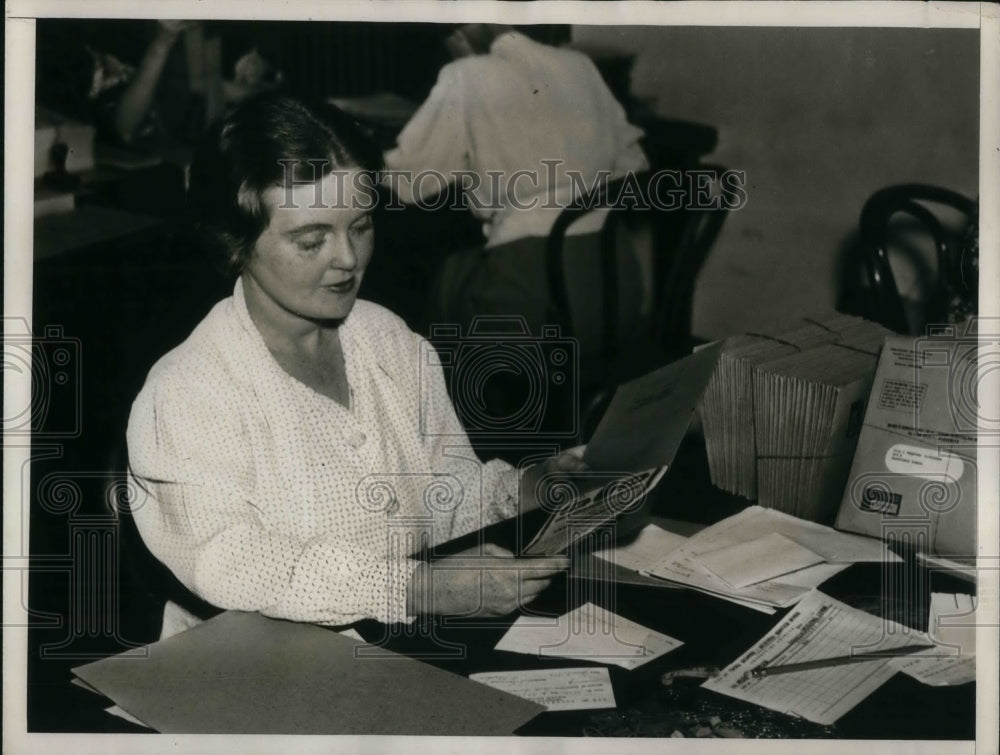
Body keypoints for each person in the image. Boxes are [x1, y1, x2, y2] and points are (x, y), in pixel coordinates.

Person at [126, 94, 584, 633]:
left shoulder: (386, 338)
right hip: (257, 674)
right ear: (236, 242)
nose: (347, 259)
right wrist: (417, 587)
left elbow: (443, 494)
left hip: (393, 641)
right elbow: (234, 562)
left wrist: (534, 486)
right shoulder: (190, 389)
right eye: (311, 239)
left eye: (361, 227)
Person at [384, 25, 650, 353]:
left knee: (439, 285)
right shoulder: (580, 64)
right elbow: (633, 163)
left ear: (461, 35)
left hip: (535, 305)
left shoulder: (465, 74)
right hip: (614, 290)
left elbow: (405, 183)